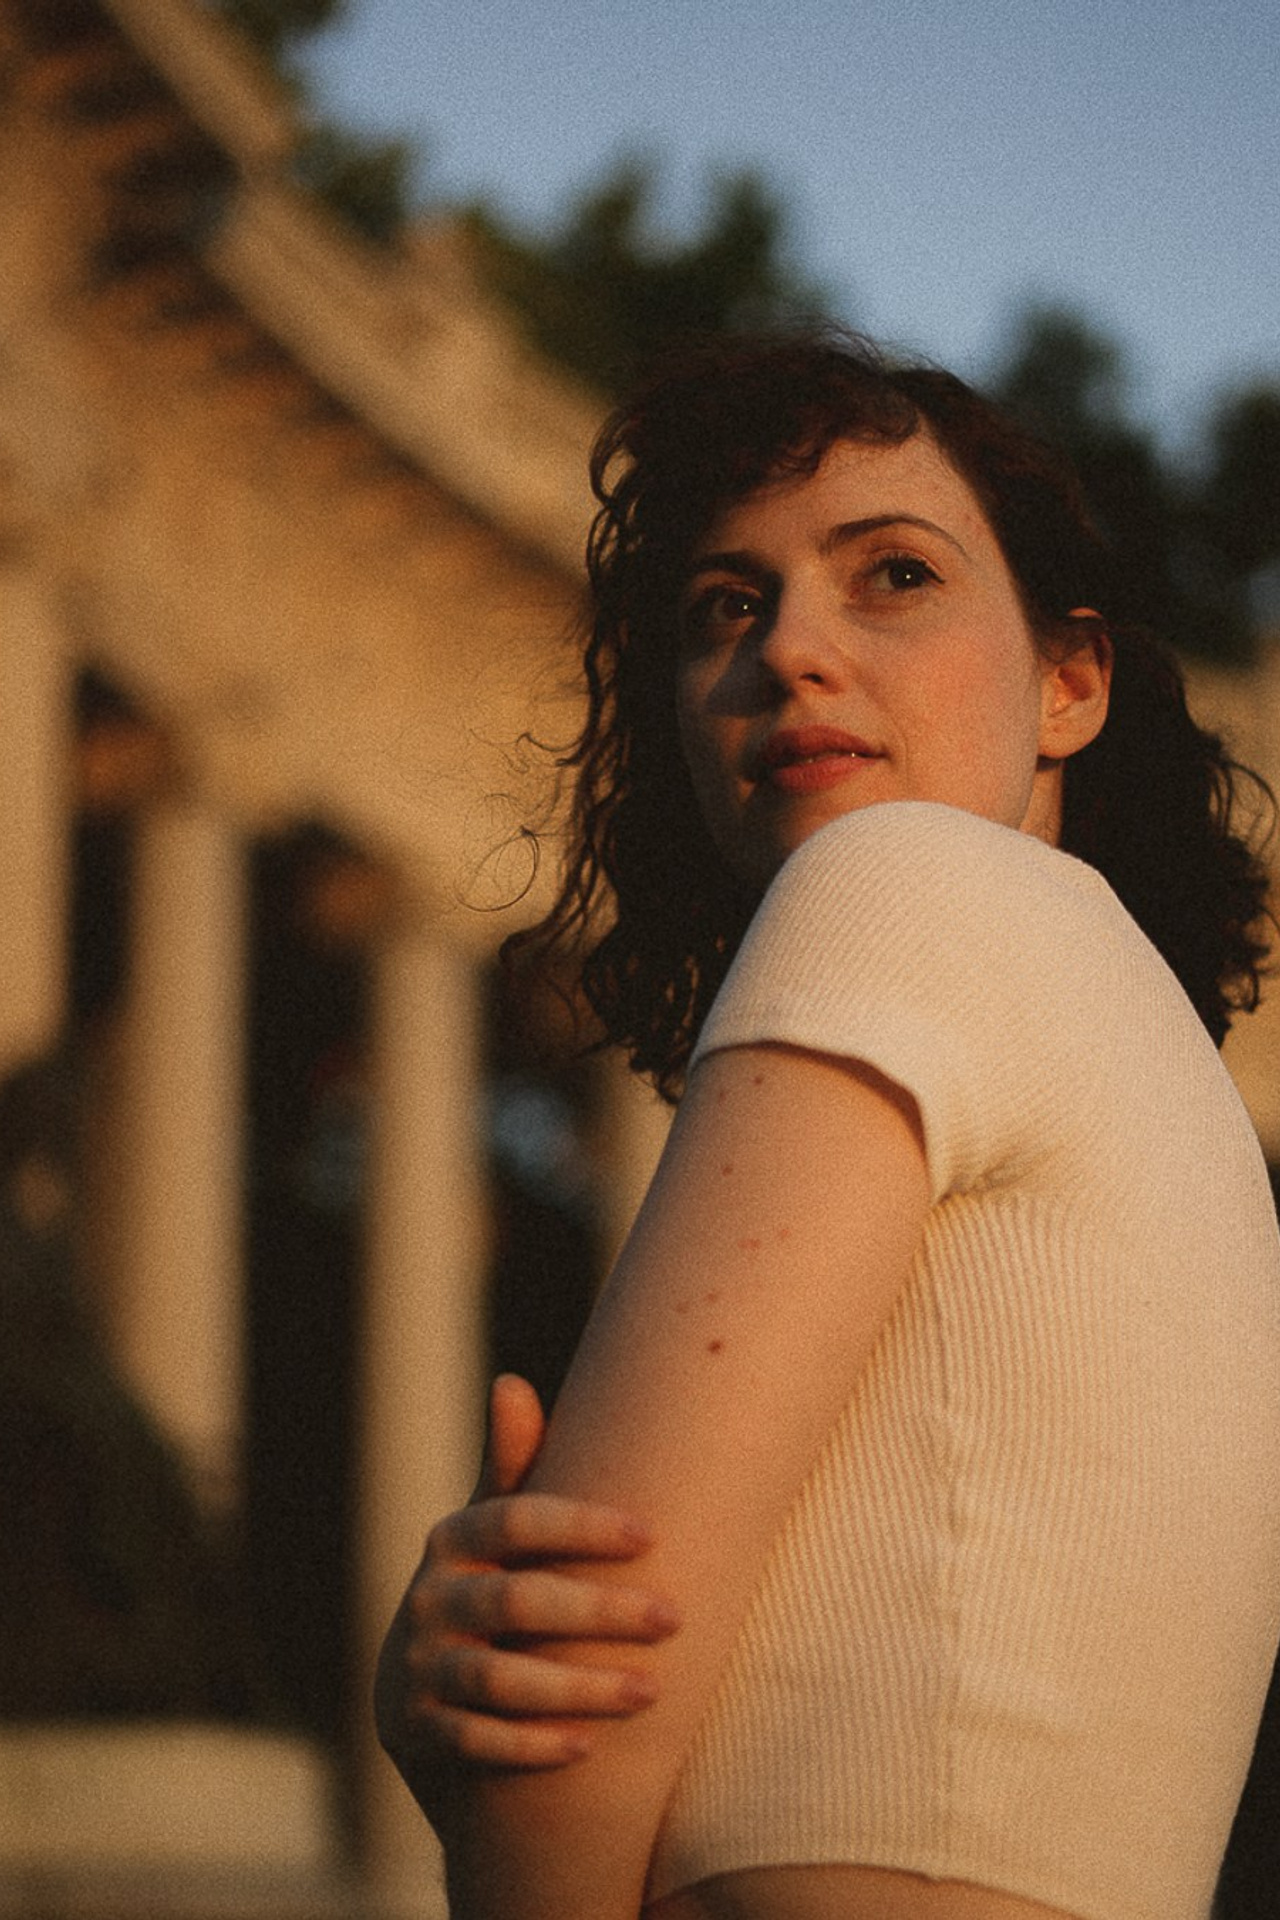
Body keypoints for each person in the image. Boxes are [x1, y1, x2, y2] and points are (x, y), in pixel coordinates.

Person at [376, 333, 1280, 1920]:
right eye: (727, 605)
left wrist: (485, 1761)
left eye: (894, 577)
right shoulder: (1153, 1066)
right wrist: (463, 1691)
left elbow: (574, 1724)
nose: (791, 648)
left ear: (1070, 683)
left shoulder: (909, 883)